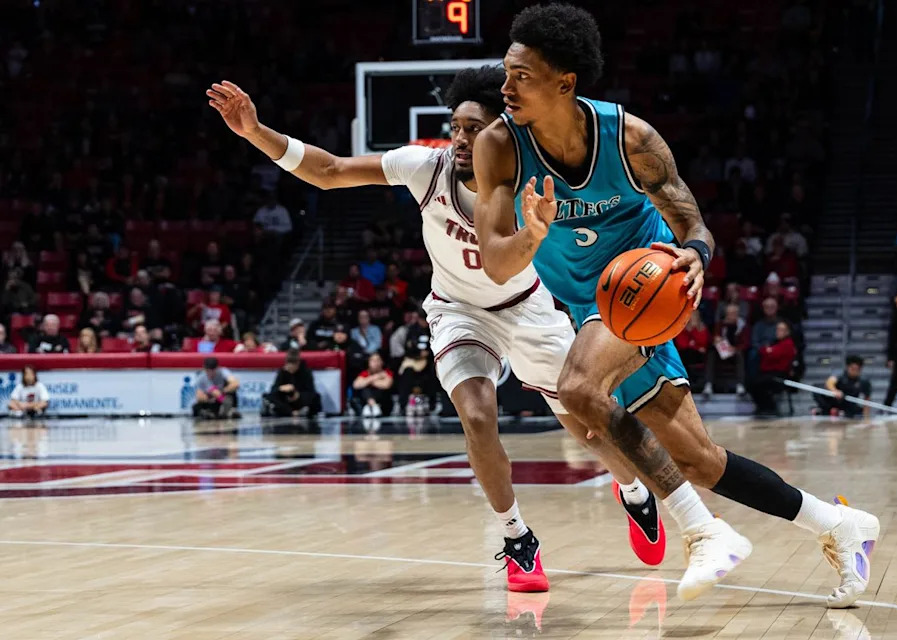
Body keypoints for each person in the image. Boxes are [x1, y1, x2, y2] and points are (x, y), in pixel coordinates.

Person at [472, 3, 878, 606]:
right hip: (584, 306)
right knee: (697, 460)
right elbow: (496, 260)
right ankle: (838, 524)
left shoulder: (630, 139)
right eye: (506, 73)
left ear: (566, 82)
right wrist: (530, 235)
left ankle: (703, 532)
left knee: (580, 390)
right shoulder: (499, 146)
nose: (504, 88)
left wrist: (695, 255)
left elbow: (693, 222)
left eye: (521, 76)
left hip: (641, 293)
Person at [208, 66, 667, 593]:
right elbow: (331, 170)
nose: (462, 139)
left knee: (587, 428)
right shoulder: (426, 167)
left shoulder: (534, 180)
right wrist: (256, 132)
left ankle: (633, 492)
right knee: (476, 414)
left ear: (504, 132)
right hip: (459, 311)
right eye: (456, 127)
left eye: (475, 129)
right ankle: (517, 538)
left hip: (528, 306)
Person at [747, 321, 798, 416]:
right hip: (768, 373)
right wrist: (767, 351)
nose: (778, 331)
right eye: (777, 329)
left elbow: (773, 355)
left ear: (787, 332)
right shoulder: (775, 343)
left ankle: (770, 408)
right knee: (752, 382)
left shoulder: (788, 344)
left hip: (779, 375)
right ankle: (764, 407)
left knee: (757, 384)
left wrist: (768, 351)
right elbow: (765, 353)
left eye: (782, 330)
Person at [704, 303, 749, 397]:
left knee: (740, 355)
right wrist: (716, 340)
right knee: (711, 353)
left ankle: (740, 385)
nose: (730, 315)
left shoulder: (743, 326)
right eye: (728, 313)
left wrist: (735, 348)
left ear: (737, 314)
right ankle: (708, 385)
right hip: (721, 352)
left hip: (735, 353)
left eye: (733, 313)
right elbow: (712, 339)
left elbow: (745, 344)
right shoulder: (720, 325)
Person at [262, 351, 322, 417]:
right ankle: (292, 412)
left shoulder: (306, 372)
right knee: (267, 396)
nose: (290, 369)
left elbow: (311, 390)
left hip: (300, 399)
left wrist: (298, 395)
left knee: (315, 397)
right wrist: (281, 388)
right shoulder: (283, 371)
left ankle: (300, 411)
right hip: (286, 400)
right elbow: (273, 389)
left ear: (298, 364)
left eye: (293, 367)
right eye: (289, 366)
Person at [351, 352, 395, 417]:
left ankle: (373, 406)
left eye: (378, 360)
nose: (376, 363)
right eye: (373, 360)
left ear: (382, 362)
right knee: (365, 390)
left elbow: (386, 385)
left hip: (382, 402)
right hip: (366, 401)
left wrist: (367, 382)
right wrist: (376, 377)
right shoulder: (365, 373)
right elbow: (356, 385)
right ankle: (373, 405)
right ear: (368, 362)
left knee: (369, 387)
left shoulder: (386, 373)